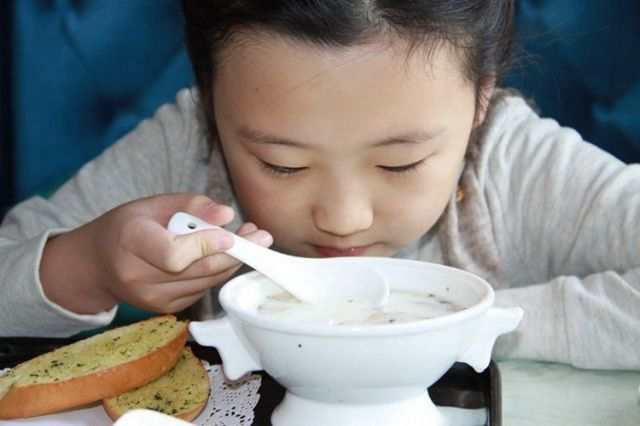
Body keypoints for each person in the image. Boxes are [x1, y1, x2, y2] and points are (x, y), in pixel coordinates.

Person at [0, 0, 638, 371]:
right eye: (282, 165)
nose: (343, 217)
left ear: (481, 103)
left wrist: (462, 324)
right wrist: (87, 266)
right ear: (212, 105)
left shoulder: (512, 162)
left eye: (400, 164)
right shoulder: (188, 150)